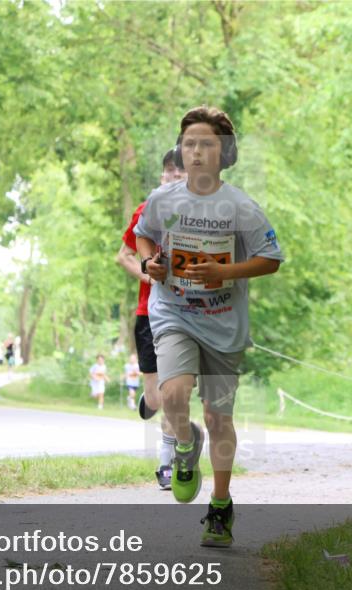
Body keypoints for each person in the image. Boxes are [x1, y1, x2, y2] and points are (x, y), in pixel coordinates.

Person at [136, 106, 284, 547]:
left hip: (223, 324)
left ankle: (220, 506)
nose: (196, 152)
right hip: (174, 313)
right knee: (173, 393)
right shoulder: (163, 200)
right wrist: (150, 263)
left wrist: (226, 273)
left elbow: (271, 259)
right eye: (189, 144)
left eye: (206, 144)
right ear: (181, 152)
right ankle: (184, 445)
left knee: (219, 417)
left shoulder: (241, 207)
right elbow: (144, 234)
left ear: (224, 153)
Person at [115, 148, 186, 489]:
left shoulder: (200, 214)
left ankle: (166, 462)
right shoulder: (146, 212)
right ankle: (149, 402)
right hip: (148, 314)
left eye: (181, 174)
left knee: (174, 392)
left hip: (183, 314)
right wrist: (149, 275)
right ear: (162, 177)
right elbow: (123, 256)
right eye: (169, 173)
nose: (174, 179)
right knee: (158, 399)